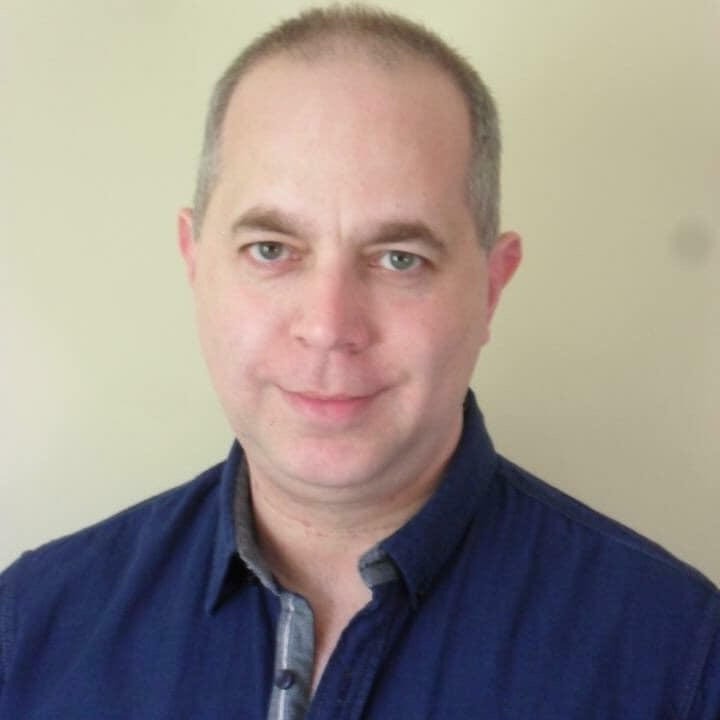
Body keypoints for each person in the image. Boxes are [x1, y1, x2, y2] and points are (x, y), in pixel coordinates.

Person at [1, 5, 718, 718]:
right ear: (195, 263)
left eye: (400, 258)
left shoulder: (681, 660)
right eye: (271, 250)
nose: (328, 326)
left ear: (491, 288)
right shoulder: (28, 627)